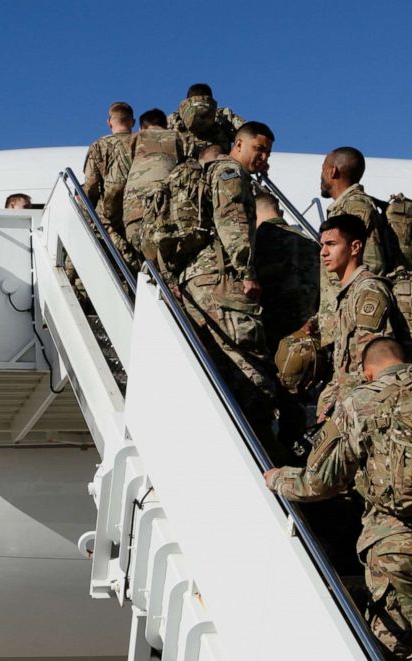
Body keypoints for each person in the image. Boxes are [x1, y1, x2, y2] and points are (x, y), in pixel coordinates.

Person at [267, 337, 412, 660]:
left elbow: (320, 481)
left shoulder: (361, 400)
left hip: (394, 547)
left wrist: (278, 478)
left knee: (400, 647)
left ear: (368, 371)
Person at [177, 121, 280, 458]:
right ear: (238, 144)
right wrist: (247, 271)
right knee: (251, 370)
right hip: (222, 280)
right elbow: (231, 219)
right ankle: (257, 453)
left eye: (267, 152)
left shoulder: (210, 172)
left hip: (199, 279)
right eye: (259, 149)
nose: (264, 157)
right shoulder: (230, 173)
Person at [312, 213, 400, 422]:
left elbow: (374, 364)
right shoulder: (348, 293)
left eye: (331, 244)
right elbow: (344, 365)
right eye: (322, 245)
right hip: (347, 405)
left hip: (364, 410)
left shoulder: (368, 291)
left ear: (355, 248)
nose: (323, 252)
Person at [316, 147, 395, 352]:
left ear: (333, 171)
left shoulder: (355, 206)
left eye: (323, 169)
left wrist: (350, 315)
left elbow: (371, 263)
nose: (321, 175)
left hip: (352, 328)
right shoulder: (343, 207)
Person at [253, 192, 320, 353]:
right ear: (280, 213)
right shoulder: (311, 243)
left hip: (271, 338)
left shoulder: (256, 244)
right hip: (307, 335)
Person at [122, 108, 188, 265]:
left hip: (135, 212)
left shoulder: (133, 140)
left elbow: (118, 181)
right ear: (165, 125)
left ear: (141, 127)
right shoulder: (178, 138)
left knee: (142, 252)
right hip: (166, 210)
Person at [82, 101, 142, 273]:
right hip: (140, 209)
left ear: (109, 122)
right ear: (133, 122)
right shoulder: (143, 143)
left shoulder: (99, 146)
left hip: (111, 214)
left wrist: (87, 211)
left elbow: (92, 184)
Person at [167, 83, 245, 156]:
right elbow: (248, 132)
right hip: (218, 165)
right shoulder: (224, 115)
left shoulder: (174, 119)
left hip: (183, 167)